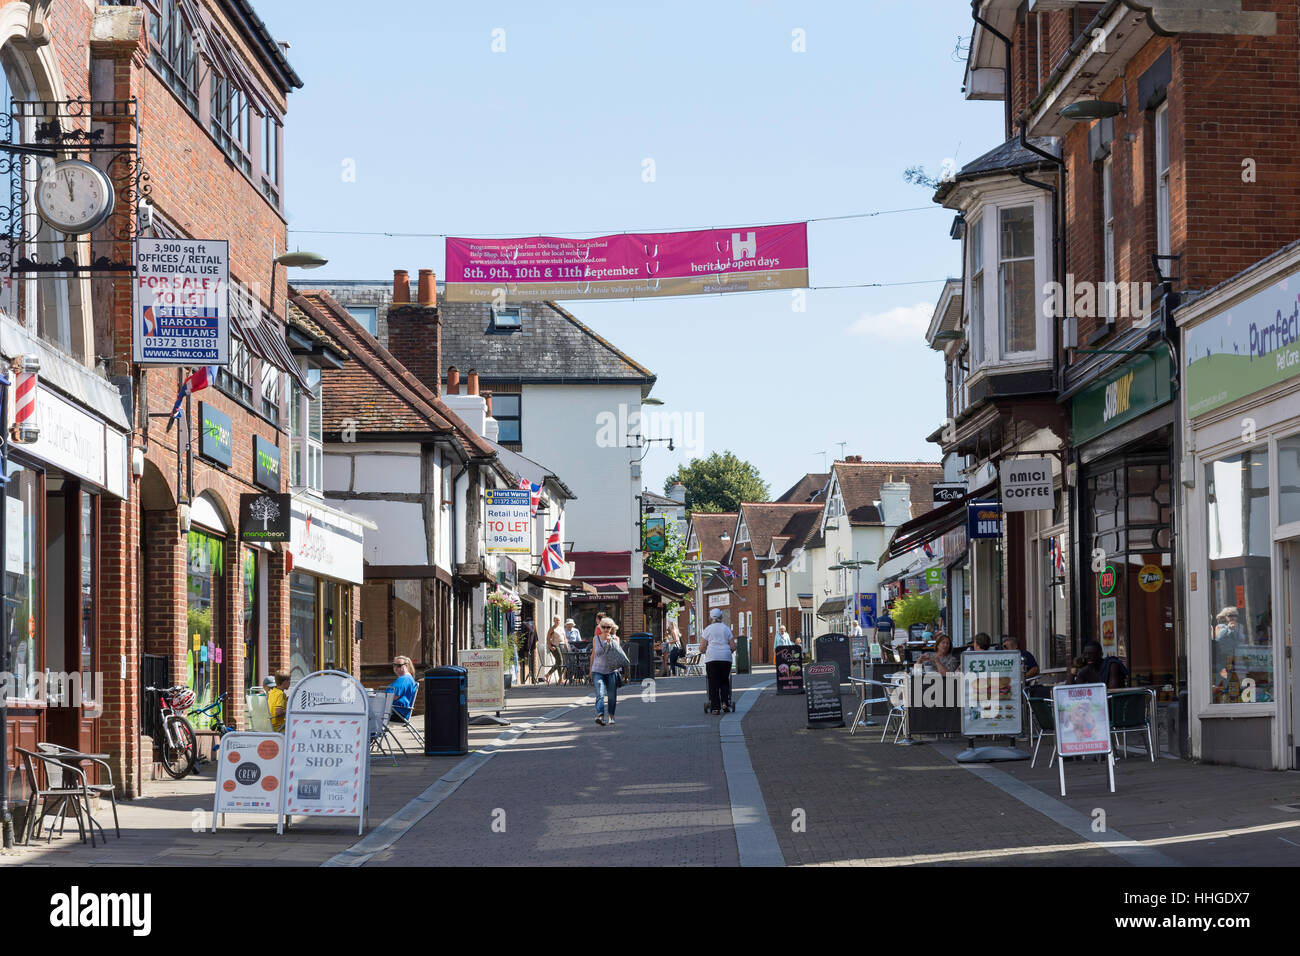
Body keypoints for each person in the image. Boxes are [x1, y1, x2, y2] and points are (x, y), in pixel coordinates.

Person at [700, 607, 737, 715]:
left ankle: (715, 708)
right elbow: (733, 646)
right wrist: (726, 651)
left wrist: (708, 651)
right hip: (725, 658)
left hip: (712, 658)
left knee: (713, 682)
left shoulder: (707, 629)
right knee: (724, 681)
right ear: (721, 617)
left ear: (711, 618)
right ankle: (725, 703)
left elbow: (701, 648)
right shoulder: (726, 629)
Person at [590, 617, 621, 726]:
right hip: (597, 670)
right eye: (604, 627)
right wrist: (590, 669)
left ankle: (611, 717)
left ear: (611, 628)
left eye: (608, 627)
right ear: (600, 627)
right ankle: (601, 716)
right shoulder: (595, 639)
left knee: (612, 695)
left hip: (611, 671)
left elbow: (617, 655)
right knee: (600, 694)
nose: (606, 629)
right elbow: (593, 654)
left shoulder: (615, 639)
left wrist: (610, 642)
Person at [385, 655, 418, 721]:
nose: (396, 668)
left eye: (399, 665)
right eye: (394, 665)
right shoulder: (407, 678)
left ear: (406, 666)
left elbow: (394, 696)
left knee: (369, 714)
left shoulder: (404, 679)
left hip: (397, 713)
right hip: (398, 712)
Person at [545, 615, 568, 683]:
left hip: (562, 646)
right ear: (554, 621)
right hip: (555, 646)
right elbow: (548, 639)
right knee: (560, 661)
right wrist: (550, 647)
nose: (557, 621)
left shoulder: (561, 628)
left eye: (559, 620)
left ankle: (548, 674)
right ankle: (560, 679)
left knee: (560, 662)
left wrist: (566, 643)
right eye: (556, 620)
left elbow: (564, 637)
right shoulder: (552, 629)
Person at [519, 620, 539, 684]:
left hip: (527, 646)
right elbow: (536, 637)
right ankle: (528, 677)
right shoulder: (531, 624)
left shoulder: (527, 624)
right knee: (527, 660)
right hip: (528, 646)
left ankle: (530, 675)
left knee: (528, 660)